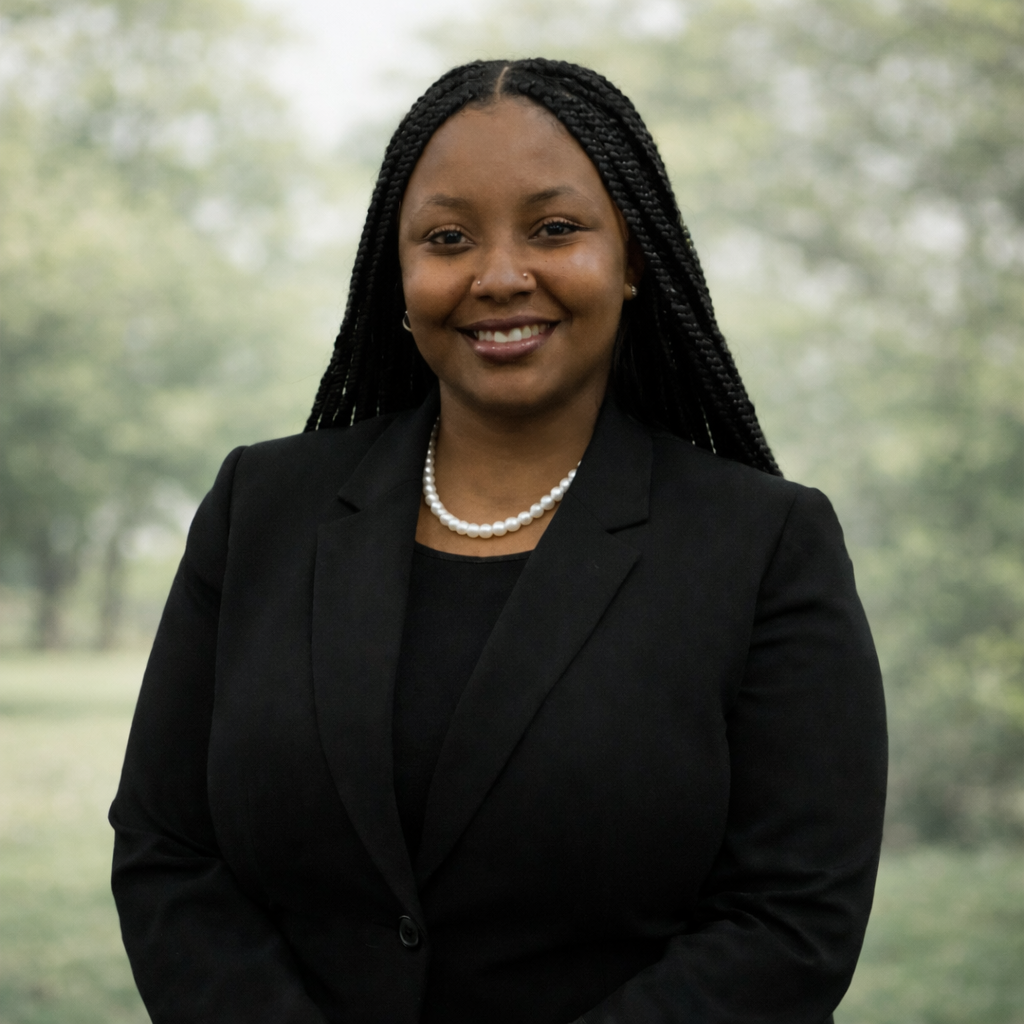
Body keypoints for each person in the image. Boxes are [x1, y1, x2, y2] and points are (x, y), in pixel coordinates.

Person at [110, 58, 887, 1024]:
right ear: (398, 274)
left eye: (554, 229)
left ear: (633, 259)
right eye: (448, 238)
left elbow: (791, 919)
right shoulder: (260, 509)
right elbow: (167, 848)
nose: (501, 276)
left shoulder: (765, 544)